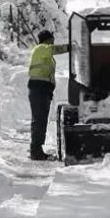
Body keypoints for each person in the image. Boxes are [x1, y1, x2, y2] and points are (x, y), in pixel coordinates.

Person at [27, 29, 69, 160]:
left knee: (40, 120)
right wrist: (70, 47)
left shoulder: (43, 52)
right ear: (48, 39)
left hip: (42, 90)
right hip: (39, 89)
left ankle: (37, 149)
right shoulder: (42, 48)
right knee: (39, 120)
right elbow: (55, 49)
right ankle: (35, 151)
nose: (53, 41)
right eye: (52, 39)